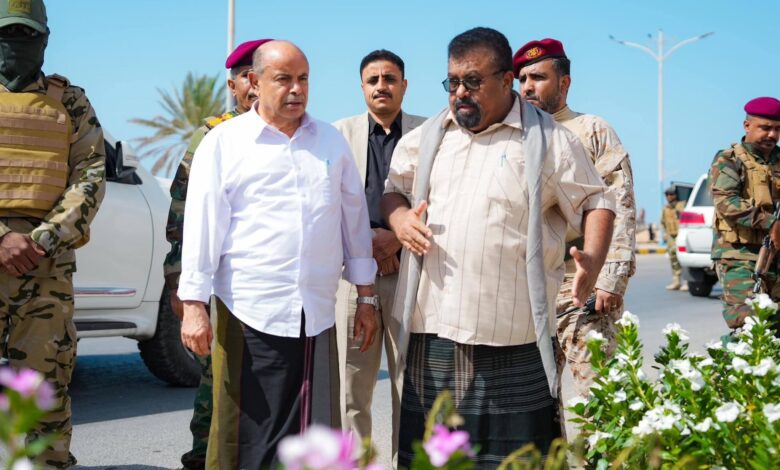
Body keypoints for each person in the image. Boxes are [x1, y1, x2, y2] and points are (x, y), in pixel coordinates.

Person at [382, 27, 615, 466]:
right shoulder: (431, 136)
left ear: (507, 80)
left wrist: (594, 259)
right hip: (434, 331)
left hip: (513, 337)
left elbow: (596, 201)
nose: (460, 93)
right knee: (433, 459)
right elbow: (394, 189)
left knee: (517, 460)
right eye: (452, 82)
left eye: (472, 81)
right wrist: (399, 219)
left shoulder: (550, 141)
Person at [177, 40, 378, 469]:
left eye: (303, 78)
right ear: (254, 81)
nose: (296, 89)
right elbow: (202, 228)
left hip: (315, 314)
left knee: (311, 436)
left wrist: (366, 297)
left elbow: (354, 223)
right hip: (247, 311)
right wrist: (193, 306)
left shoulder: (330, 142)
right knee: (243, 439)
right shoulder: (224, 143)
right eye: (284, 79)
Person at [0, 1, 106, 468]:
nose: (16, 44)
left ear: (45, 39)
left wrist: (41, 240)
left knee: (45, 388)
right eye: (7, 34)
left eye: (27, 35)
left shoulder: (70, 102)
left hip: (46, 265)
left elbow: (90, 176)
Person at [162, 38, 270, 470]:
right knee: (217, 377)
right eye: (246, 76)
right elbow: (181, 211)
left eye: (260, 74)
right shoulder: (213, 134)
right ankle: (201, 458)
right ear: (233, 84)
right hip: (218, 280)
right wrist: (179, 281)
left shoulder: (293, 132)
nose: (254, 83)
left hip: (266, 283)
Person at [514, 38, 637, 397]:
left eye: (538, 77)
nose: (528, 87)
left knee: (601, 394)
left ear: (564, 82)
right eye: (522, 80)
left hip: (580, 283)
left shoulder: (591, 129)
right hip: (528, 288)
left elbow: (620, 202)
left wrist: (610, 278)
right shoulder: (511, 136)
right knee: (535, 401)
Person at [331, 49, 425, 457]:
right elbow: (326, 203)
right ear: (362, 87)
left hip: (412, 274)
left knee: (412, 386)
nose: (381, 86)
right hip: (353, 278)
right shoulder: (338, 135)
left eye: (389, 78)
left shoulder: (430, 134)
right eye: (373, 80)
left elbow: (445, 199)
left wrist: (397, 239)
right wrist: (365, 245)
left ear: (404, 85)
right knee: (350, 388)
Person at [710, 97, 780, 331]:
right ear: (747, 126)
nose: (772, 134)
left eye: (777, 129)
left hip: (776, 255)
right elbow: (726, 202)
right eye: (765, 128)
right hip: (739, 255)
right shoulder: (729, 159)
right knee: (748, 322)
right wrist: (771, 222)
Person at [661, 186, 688, 290]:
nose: (669, 196)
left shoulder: (681, 205)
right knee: (673, 259)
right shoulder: (665, 209)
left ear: (676, 195)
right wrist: (665, 234)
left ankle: (687, 282)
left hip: (681, 235)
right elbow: (663, 222)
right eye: (667, 195)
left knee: (684, 259)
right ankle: (676, 281)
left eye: (671, 194)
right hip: (671, 237)